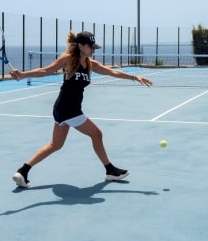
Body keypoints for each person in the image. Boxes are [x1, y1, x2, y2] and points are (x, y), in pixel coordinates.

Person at [9, 30, 153, 188]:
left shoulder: (90, 64)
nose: (93, 50)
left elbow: (112, 72)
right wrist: (23, 74)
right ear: (80, 45)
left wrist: (134, 77)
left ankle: (23, 171)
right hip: (68, 109)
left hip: (64, 109)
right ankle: (110, 170)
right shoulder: (68, 58)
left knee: (55, 145)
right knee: (96, 134)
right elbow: (45, 70)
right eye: (91, 46)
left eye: (94, 47)